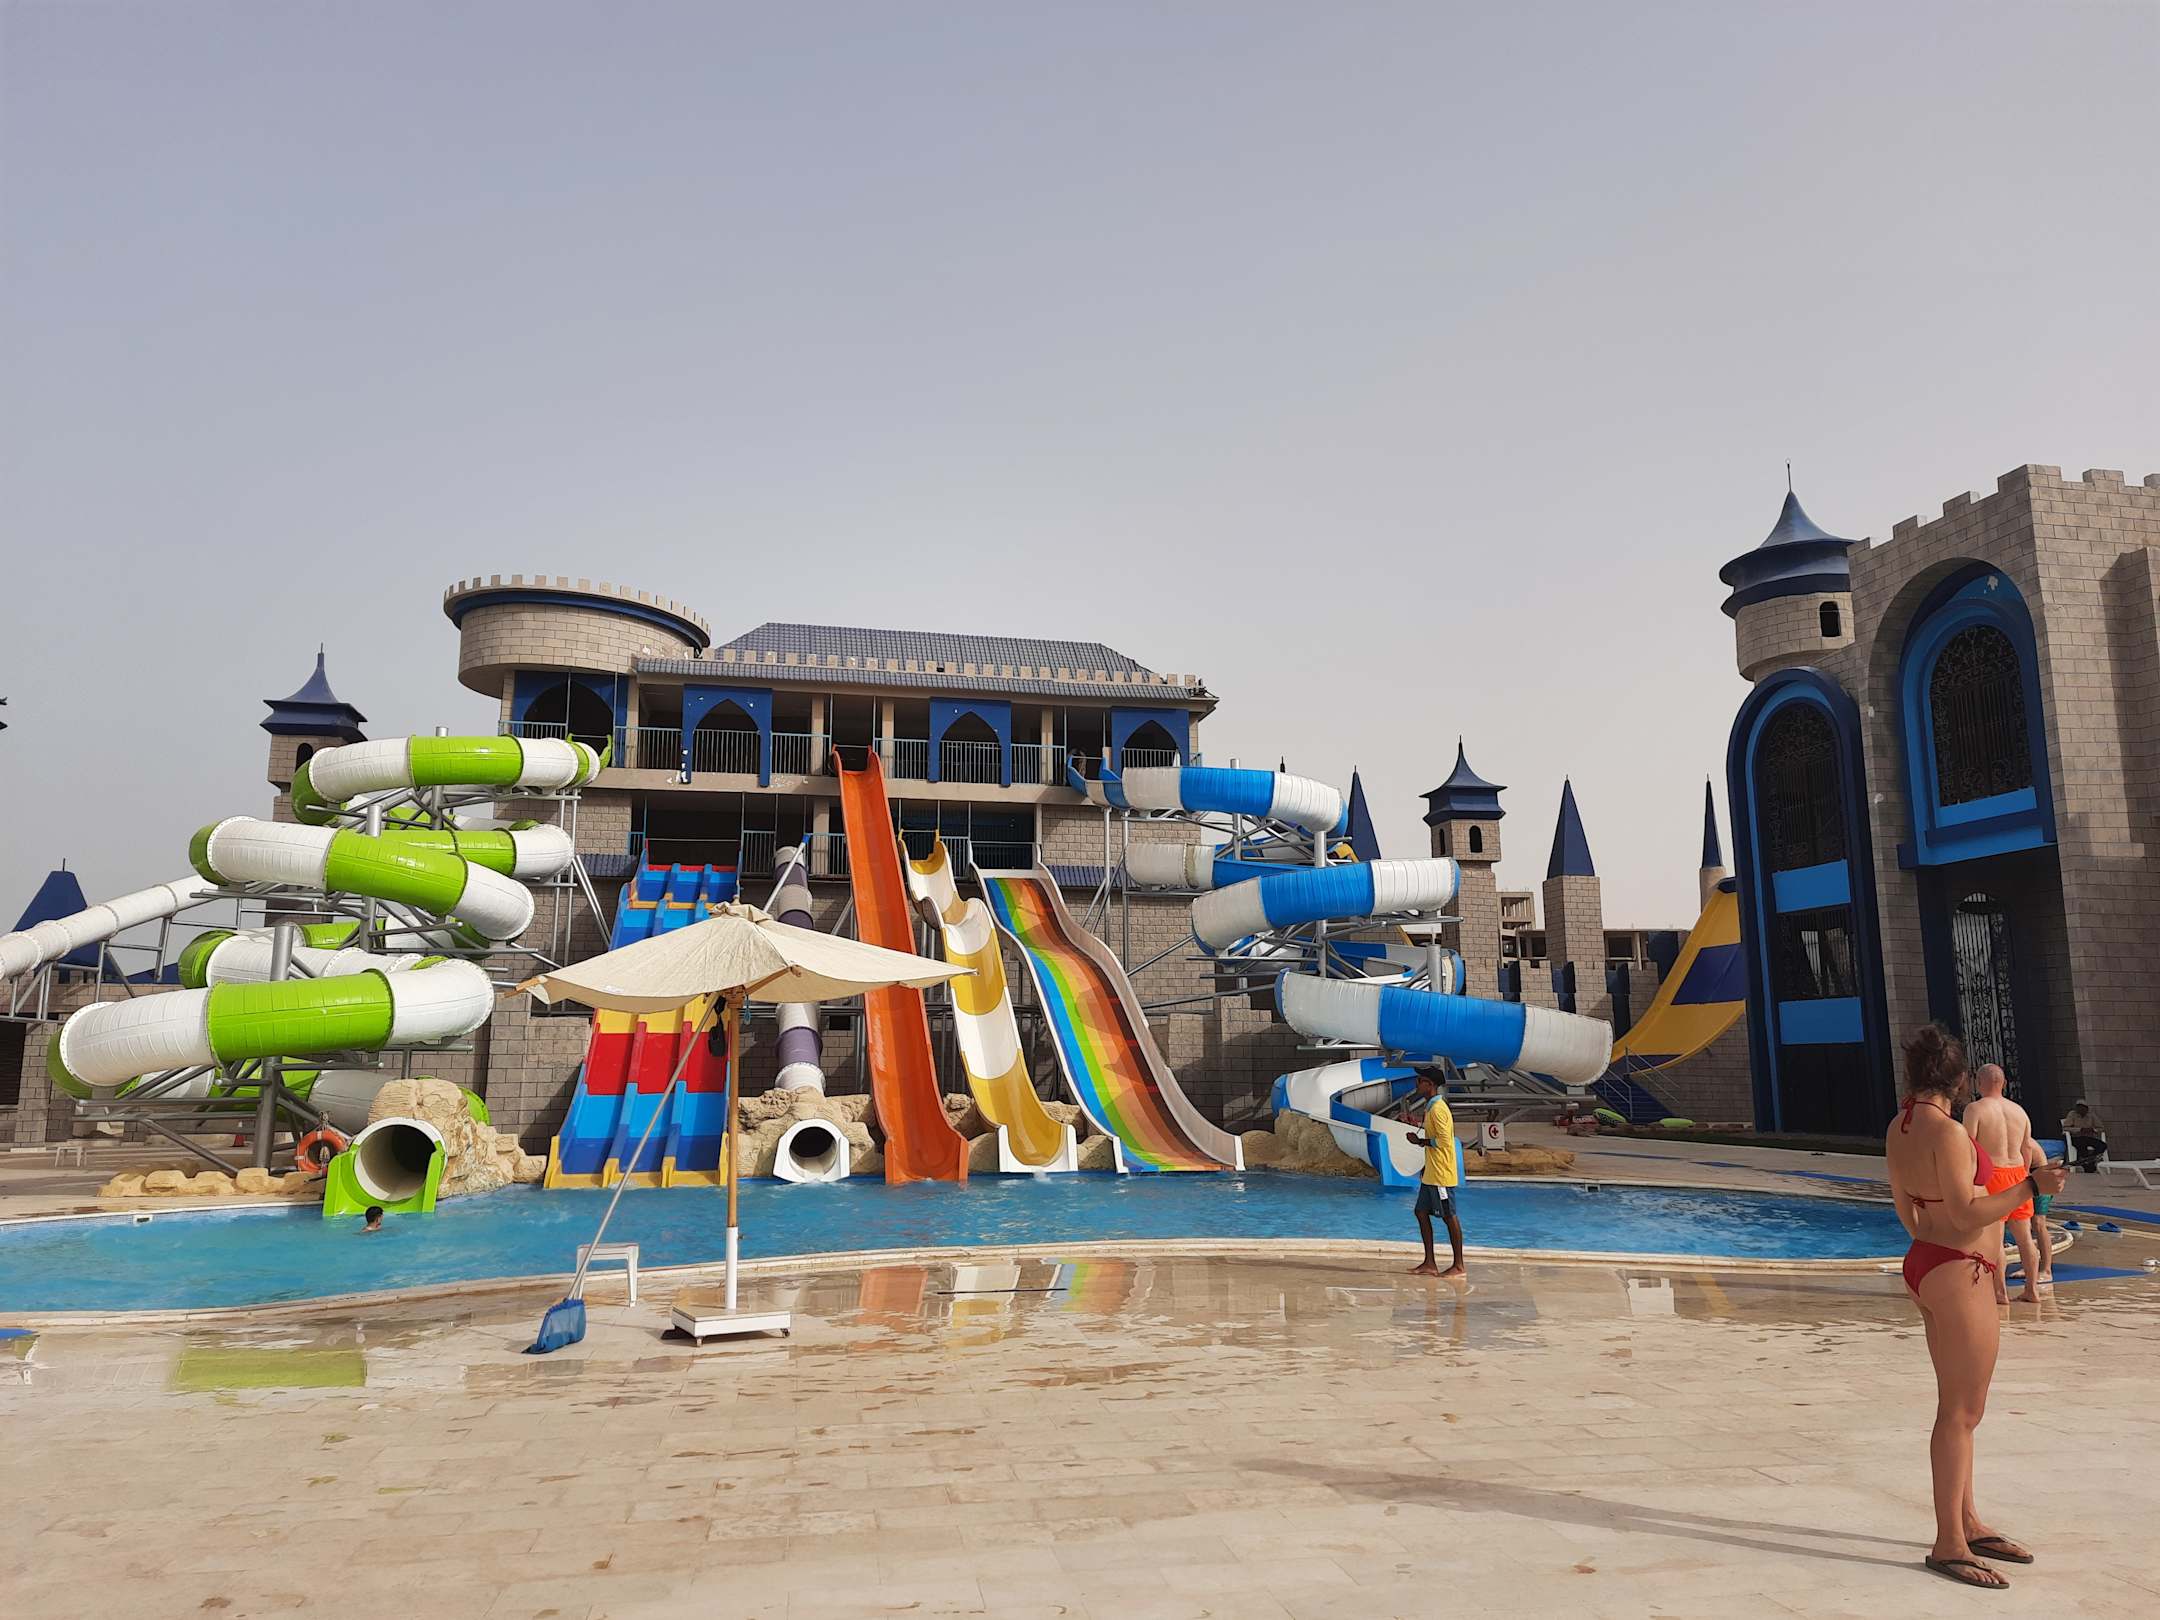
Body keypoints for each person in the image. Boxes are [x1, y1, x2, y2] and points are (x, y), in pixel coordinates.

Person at [1885, 1024, 2067, 1590]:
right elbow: (1967, 1213)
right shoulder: (1947, 1133)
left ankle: (1967, 1522)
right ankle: (1949, 1544)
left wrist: (1939, 1245)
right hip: (1960, 1271)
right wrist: (2032, 1187)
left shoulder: (1901, 1125)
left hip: (1927, 1263)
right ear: (1959, 1079)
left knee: (1955, 1408)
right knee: (1962, 1414)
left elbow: (1907, 1210)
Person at [1963, 1065, 2040, 1303]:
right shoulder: (2019, 1111)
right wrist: (2025, 1175)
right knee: (2025, 1237)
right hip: (2017, 1173)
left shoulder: (1975, 1109)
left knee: (1995, 1238)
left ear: (1978, 1083)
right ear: (2004, 1083)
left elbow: (1968, 1147)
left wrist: (1968, 1179)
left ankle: (2000, 1292)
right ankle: (2032, 1289)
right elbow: (2027, 1147)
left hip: (1992, 1175)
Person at [1403, 1068, 1464, 1279]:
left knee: (1449, 1216)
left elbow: (1445, 1141)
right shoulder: (1431, 1107)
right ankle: (1429, 1262)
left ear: (1429, 1085)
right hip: (1431, 1172)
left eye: (1420, 1080)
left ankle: (1458, 1265)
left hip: (1441, 1175)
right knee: (1420, 1212)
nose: (1417, 1084)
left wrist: (1420, 1141)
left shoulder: (1438, 1109)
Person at [2063, 1101, 2107, 1171]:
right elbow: (2065, 1128)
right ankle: (2088, 1166)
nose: (2080, 1109)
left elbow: (2101, 1128)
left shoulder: (2091, 1115)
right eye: (2078, 1107)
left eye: (2082, 1107)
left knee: (2102, 1145)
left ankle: (2089, 1161)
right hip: (2076, 1137)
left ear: (2087, 1108)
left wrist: (2093, 1130)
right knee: (2082, 1147)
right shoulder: (2072, 1114)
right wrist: (2079, 1129)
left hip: (2089, 1137)